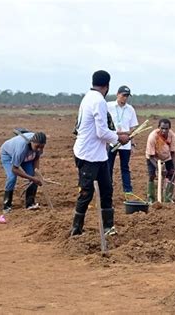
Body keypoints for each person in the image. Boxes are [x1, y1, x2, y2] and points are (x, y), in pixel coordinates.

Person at [70, 70, 130, 237]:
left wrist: (116, 137)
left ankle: (108, 227)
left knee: (107, 189)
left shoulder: (88, 97)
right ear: (107, 86)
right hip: (88, 155)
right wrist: (120, 138)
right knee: (86, 193)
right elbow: (102, 132)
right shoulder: (98, 101)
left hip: (99, 155)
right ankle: (76, 230)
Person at [0, 131, 47, 213]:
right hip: (8, 154)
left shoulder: (39, 144)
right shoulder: (21, 149)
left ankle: (30, 204)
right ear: (32, 142)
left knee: (33, 175)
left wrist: (36, 174)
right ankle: (7, 206)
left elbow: (36, 158)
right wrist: (32, 178)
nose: (39, 149)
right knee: (12, 178)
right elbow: (15, 169)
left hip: (26, 156)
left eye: (42, 147)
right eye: (37, 146)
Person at [107, 85, 139, 200]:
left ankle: (128, 191)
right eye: (123, 95)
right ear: (117, 94)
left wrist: (132, 143)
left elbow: (133, 129)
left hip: (126, 143)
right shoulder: (108, 106)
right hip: (112, 141)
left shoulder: (130, 109)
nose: (125, 98)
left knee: (125, 167)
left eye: (127, 96)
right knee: (108, 167)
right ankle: (107, 189)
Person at [145, 118, 175, 204]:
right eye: (162, 128)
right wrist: (159, 169)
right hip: (153, 158)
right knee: (152, 176)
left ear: (169, 128)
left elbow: (173, 153)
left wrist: (174, 167)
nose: (164, 130)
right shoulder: (153, 136)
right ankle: (151, 198)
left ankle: (167, 198)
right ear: (158, 127)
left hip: (167, 158)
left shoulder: (172, 135)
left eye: (166, 128)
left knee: (171, 175)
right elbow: (151, 156)